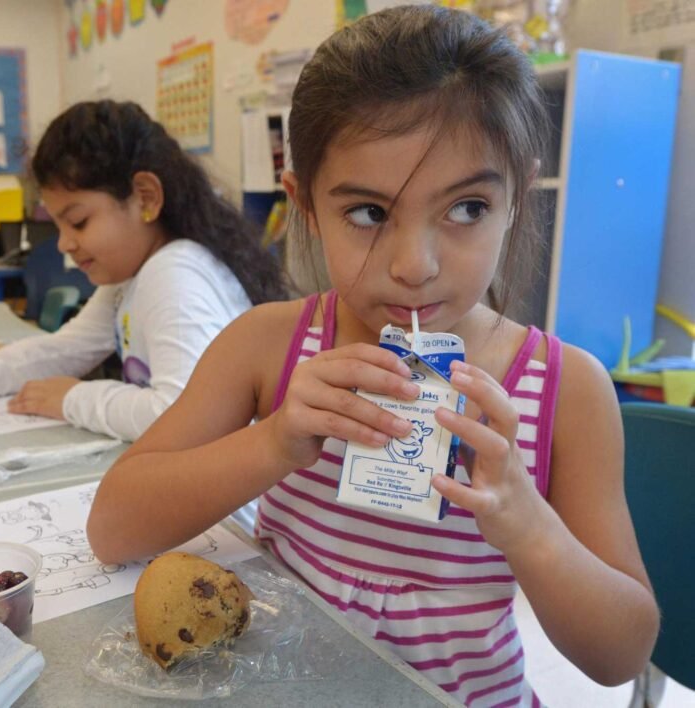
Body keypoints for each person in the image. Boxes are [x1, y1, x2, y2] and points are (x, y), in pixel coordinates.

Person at [86, 6, 658, 705]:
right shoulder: (269, 347)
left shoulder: (566, 391)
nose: (414, 265)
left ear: (516, 197)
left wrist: (527, 523)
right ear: (305, 205)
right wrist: (274, 442)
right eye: (368, 213)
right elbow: (113, 528)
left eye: (468, 207)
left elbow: (621, 654)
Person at [0, 101, 287, 441]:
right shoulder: (134, 275)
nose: (64, 244)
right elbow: (62, 351)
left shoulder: (174, 272)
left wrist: (73, 399)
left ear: (146, 198)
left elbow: (184, 416)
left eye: (78, 222)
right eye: (58, 225)